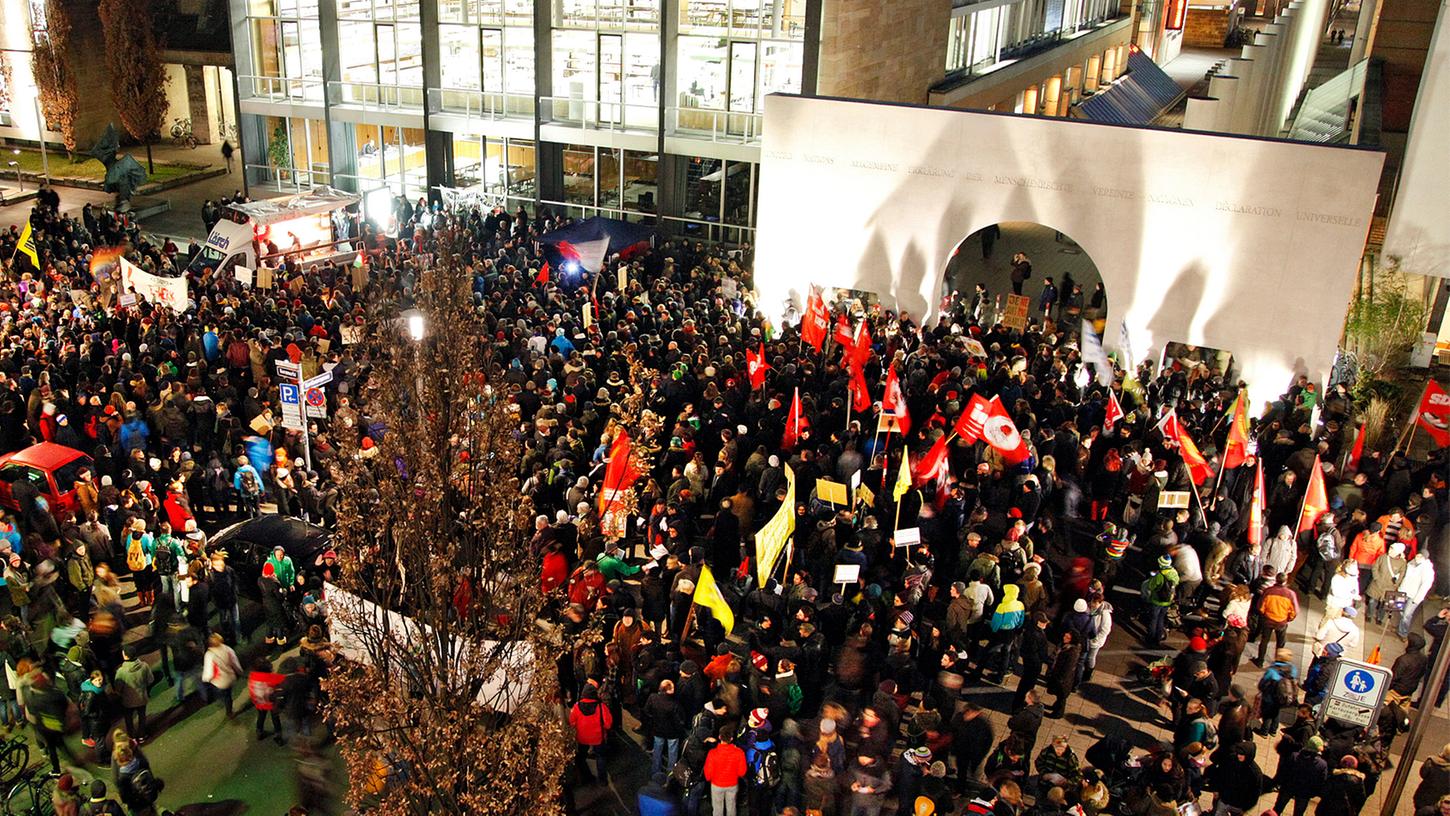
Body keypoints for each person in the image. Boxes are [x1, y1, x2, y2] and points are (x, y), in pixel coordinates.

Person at [569, 680, 614, 783]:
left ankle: (586, 777)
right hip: (598, 738)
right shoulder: (601, 707)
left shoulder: (576, 707)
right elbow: (608, 724)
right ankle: (602, 780)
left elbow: (572, 722)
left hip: (582, 738)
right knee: (601, 757)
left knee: (581, 757)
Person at [1274, 734, 1327, 816]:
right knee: (1299, 813)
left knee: (1278, 808)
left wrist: (1281, 782)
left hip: (1288, 786)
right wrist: (1313, 793)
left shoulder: (1294, 756)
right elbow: (1321, 782)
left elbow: (1284, 770)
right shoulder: (1322, 765)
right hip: (1305, 792)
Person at [704, 727, 748, 816]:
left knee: (717, 809)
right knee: (731, 808)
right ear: (731, 738)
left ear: (719, 737)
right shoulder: (739, 753)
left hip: (716, 784)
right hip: (732, 784)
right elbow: (742, 772)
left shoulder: (712, 753)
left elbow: (708, 774)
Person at [114, 647, 155, 741]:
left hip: (127, 700)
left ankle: (131, 737)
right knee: (142, 716)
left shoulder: (121, 671)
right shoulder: (144, 666)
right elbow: (150, 680)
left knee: (129, 719)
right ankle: (142, 735)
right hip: (141, 697)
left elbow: (118, 687)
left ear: (126, 656)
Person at [202, 632, 244, 718]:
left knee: (222, 694)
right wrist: (240, 672)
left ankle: (220, 702)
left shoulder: (209, 654)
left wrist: (206, 679)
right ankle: (229, 712)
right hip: (229, 678)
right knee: (228, 696)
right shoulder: (228, 649)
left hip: (219, 681)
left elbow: (209, 672)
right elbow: (235, 663)